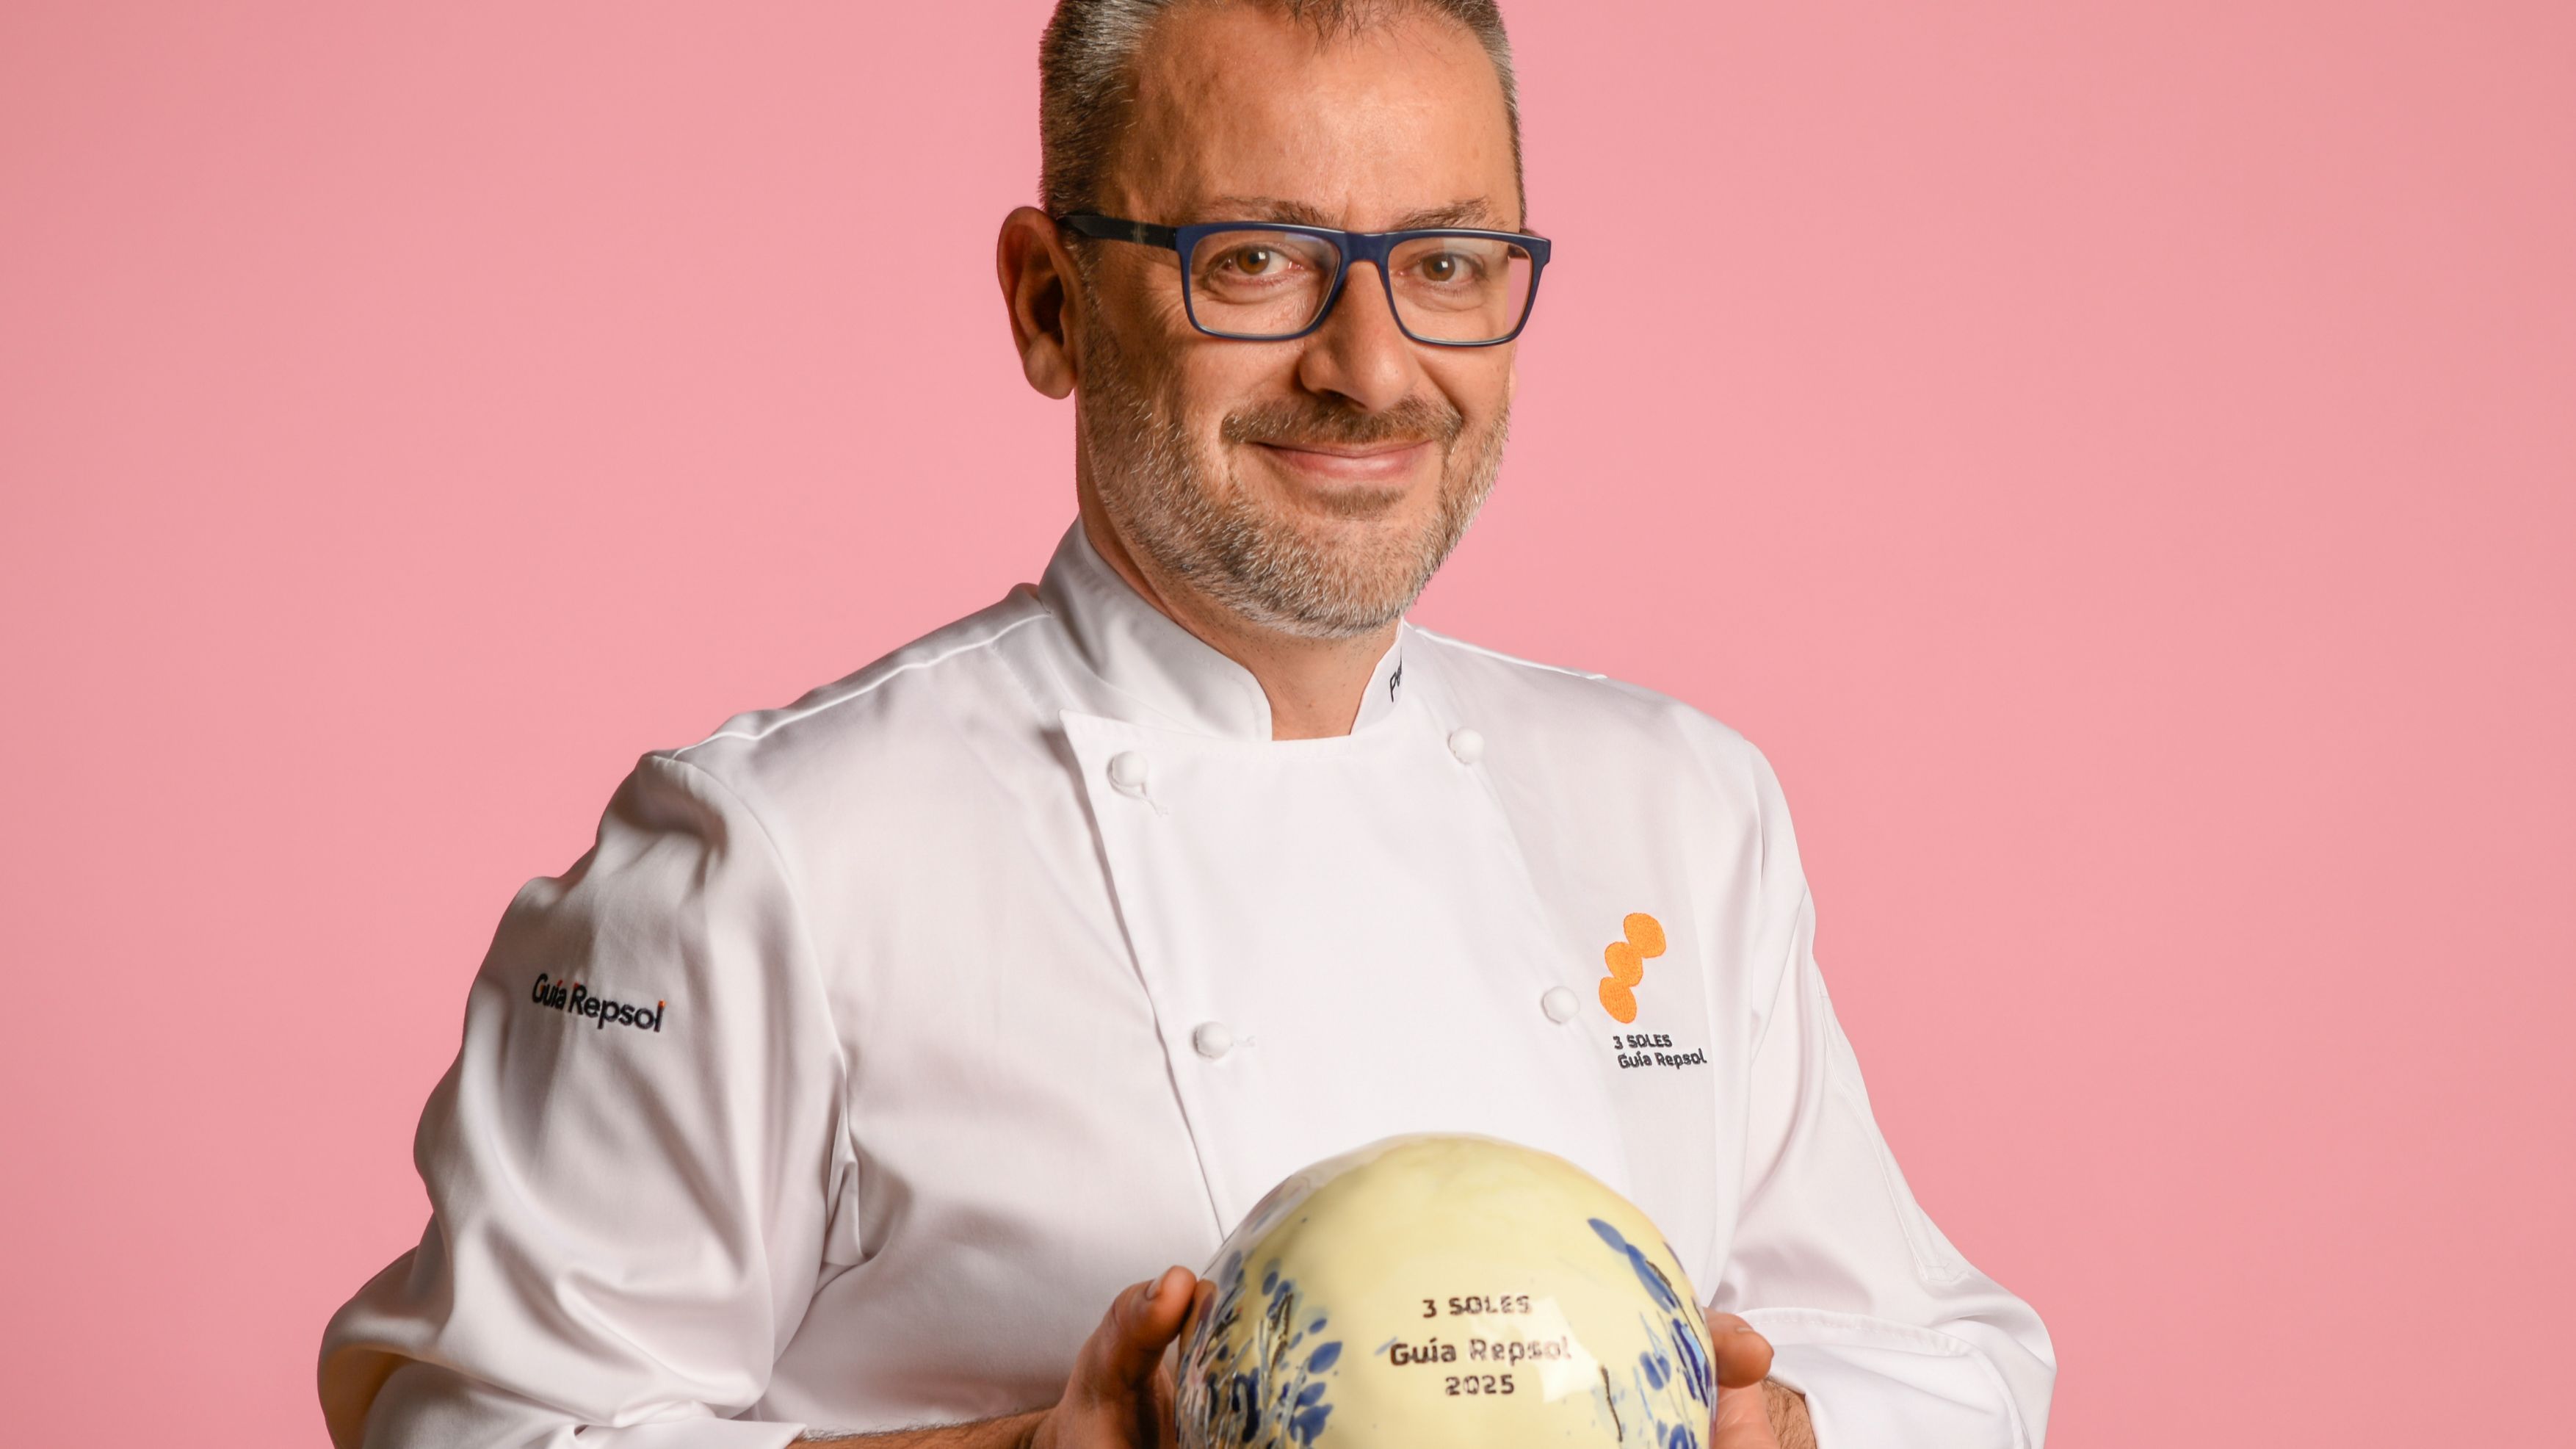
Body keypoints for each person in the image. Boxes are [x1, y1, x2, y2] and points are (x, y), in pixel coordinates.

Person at [319, 1, 2057, 1445]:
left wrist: (1799, 1431)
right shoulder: (762, 856)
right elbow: (474, 1424)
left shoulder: (1681, 804)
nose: (1372, 368)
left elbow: (1951, 1359)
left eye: (1445, 264)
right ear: (1048, 302)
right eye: (1258, 261)